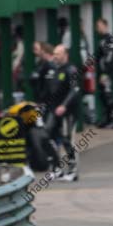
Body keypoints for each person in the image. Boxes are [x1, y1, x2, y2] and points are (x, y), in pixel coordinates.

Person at [46, 44, 81, 179]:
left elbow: (74, 90)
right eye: (54, 53)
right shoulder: (55, 70)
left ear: (65, 55)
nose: (55, 56)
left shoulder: (71, 70)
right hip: (54, 110)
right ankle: (57, 168)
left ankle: (73, 170)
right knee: (48, 135)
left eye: (58, 54)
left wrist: (64, 105)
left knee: (67, 139)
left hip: (68, 111)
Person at [95, 18, 113, 129]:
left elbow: (111, 57)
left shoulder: (111, 39)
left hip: (108, 73)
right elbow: (99, 57)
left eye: (99, 26)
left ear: (105, 25)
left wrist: (105, 73)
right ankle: (106, 119)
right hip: (102, 72)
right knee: (103, 95)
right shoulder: (102, 40)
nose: (97, 28)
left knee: (108, 94)